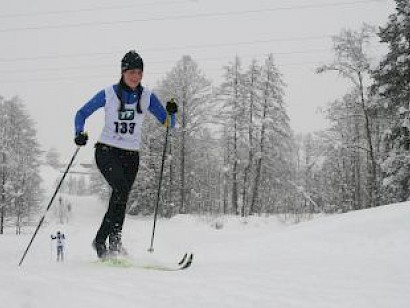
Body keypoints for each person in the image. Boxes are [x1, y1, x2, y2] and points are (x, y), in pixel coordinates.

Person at [73, 50, 178, 260]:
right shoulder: (108, 93)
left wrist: (172, 111)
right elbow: (81, 113)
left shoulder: (147, 96)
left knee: (121, 198)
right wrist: (79, 132)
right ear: (123, 72)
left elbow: (168, 123)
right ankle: (101, 240)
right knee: (120, 189)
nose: (135, 76)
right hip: (107, 151)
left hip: (131, 155)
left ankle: (114, 242)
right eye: (131, 72)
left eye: (139, 72)